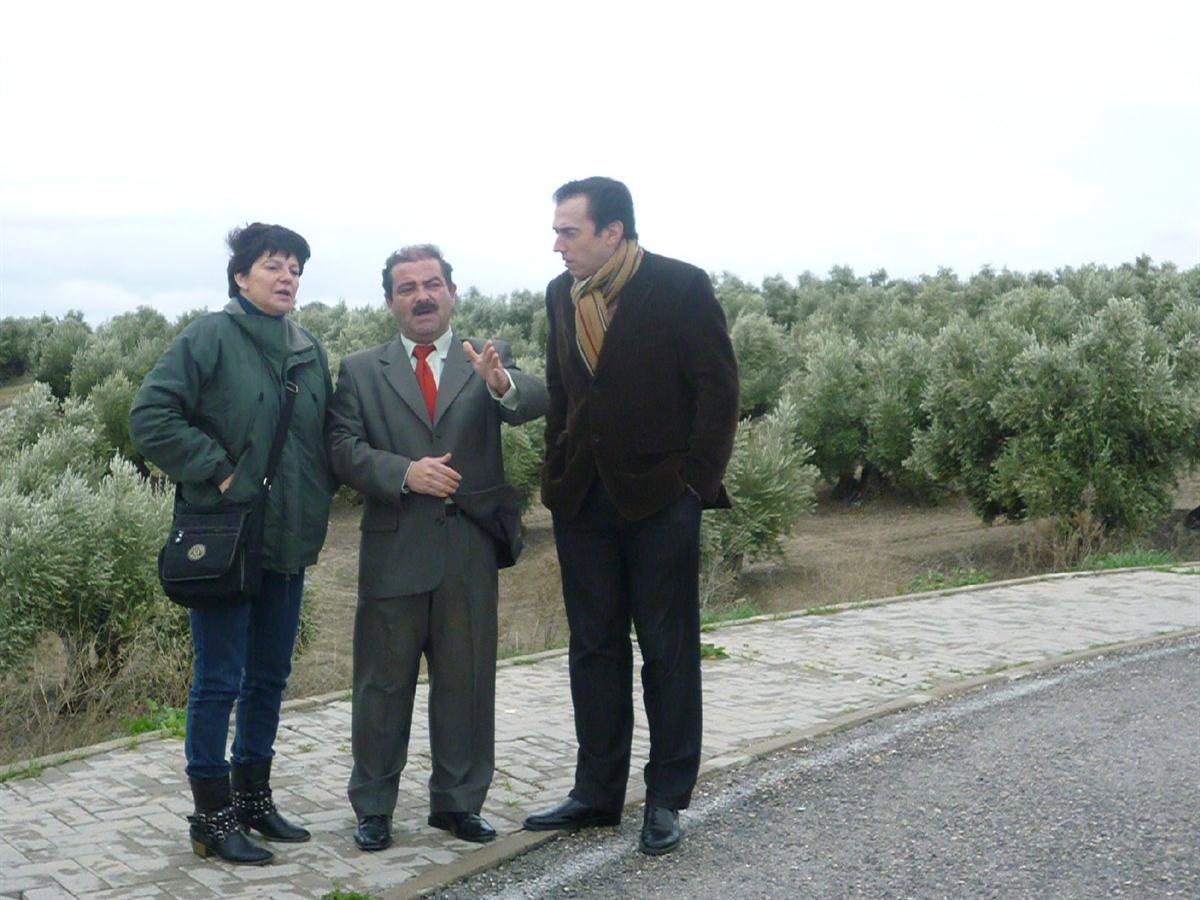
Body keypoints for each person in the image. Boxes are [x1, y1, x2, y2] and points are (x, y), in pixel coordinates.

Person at [524, 177, 739, 855]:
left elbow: (719, 391)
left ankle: (667, 797)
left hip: (659, 502)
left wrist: (693, 487)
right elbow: (562, 391)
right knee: (593, 650)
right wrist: (556, 470)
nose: (557, 246)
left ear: (612, 232)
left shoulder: (680, 286)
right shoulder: (561, 295)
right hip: (582, 501)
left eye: (568, 232)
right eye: (556, 232)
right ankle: (596, 793)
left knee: (667, 652)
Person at [326, 244, 548, 852]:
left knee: (467, 683)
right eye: (407, 287)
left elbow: (537, 399)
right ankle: (374, 808)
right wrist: (405, 473)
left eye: (432, 284)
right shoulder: (361, 370)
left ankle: (458, 805)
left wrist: (502, 383)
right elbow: (342, 448)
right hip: (393, 551)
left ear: (451, 292)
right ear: (390, 301)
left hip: (467, 553)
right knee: (381, 687)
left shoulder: (485, 358)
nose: (421, 296)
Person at [130, 223, 337, 865]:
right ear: (241, 276)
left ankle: (253, 800)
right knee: (219, 680)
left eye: (295, 268)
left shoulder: (308, 349)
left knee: (270, 676)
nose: (287, 277)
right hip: (225, 539)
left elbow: (322, 439)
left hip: (287, 541)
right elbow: (150, 416)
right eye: (273, 265)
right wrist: (219, 470)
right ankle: (211, 818)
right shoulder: (208, 337)